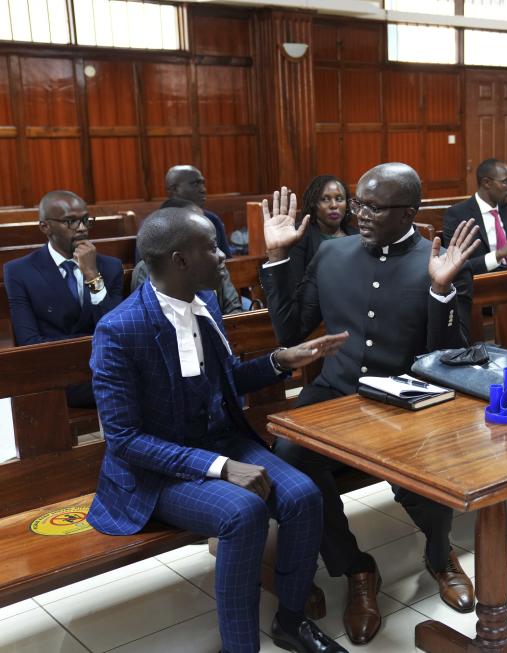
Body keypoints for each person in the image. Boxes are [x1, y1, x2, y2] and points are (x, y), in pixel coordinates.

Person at [87, 206, 349, 653]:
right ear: (179, 260)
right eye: (211, 247)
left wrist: (280, 361)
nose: (224, 255)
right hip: (157, 470)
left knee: (304, 496)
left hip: (216, 442)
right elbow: (125, 440)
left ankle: (291, 621)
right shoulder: (120, 329)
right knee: (242, 513)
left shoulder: (205, 303)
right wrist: (221, 466)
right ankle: (240, 646)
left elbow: (223, 378)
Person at [259, 164, 481, 645]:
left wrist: (440, 290)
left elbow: (448, 356)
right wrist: (278, 258)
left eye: (374, 207)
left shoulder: (441, 259)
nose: (358, 213)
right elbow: (290, 331)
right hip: (337, 394)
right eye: (358, 202)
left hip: (406, 399)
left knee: (432, 461)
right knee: (288, 455)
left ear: (410, 212)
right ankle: (356, 569)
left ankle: (441, 555)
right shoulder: (332, 254)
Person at [3, 190, 123, 408]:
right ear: (45, 227)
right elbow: (29, 341)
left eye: (86, 219)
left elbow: (116, 329)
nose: (82, 228)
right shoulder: (19, 272)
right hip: (54, 371)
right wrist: (89, 345)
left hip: (105, 366)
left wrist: (92, 275)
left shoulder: (109, 267)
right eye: (71, 222)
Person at [442, 158, 507, 274]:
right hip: (481, 282)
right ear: (487, 183)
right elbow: (457, 266)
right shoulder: (458, 215)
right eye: (506, 182)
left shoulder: (506, 209)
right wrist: (500, 254)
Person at [288, 175, 357, 285]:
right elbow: (295, 285)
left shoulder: (356, 235)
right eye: (325, 199)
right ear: (313, 204)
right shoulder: (299, 235)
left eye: (339, 199)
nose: (334, 205)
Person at [163, 165, 232, 258]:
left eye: (203, 183)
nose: (203, 189)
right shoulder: (156, 224)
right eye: (195, 184)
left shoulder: (212, 219)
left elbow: (227, 261)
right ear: (174, 189)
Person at [130, 258, 243, 315]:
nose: (221, 254)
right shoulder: (146, 269)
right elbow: (150, 316)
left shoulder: (215, 261)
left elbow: (233, 308)